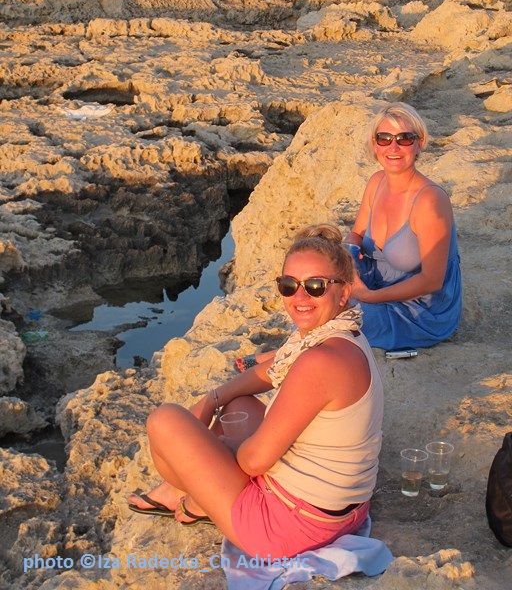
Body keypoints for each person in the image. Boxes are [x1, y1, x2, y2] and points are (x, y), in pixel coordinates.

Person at [129, 224, 384, 561]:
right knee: (241, 405)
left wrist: (220, 449)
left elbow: (253, 461)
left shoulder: (320, 361)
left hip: (289, 527)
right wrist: (213, 399)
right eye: (289, 285)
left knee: (164, 420)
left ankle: (195, 496)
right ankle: (200, 495)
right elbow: (271, 368)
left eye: (316, 286)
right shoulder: (342, 334)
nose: (300, 297)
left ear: (344, 291)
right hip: (341, 509)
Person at [344, 101, 462, 350]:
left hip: (419, 309)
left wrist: (369, 297)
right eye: (384, 138)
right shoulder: (376, 182)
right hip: (375, 281)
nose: (394, 147)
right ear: (374, 144)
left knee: (338, 320)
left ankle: (276, 358)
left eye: (405, 138)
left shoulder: (430, 200)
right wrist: (348, 260)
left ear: (420, 142)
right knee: (316, 288)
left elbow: (432, 280)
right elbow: (356, 235)